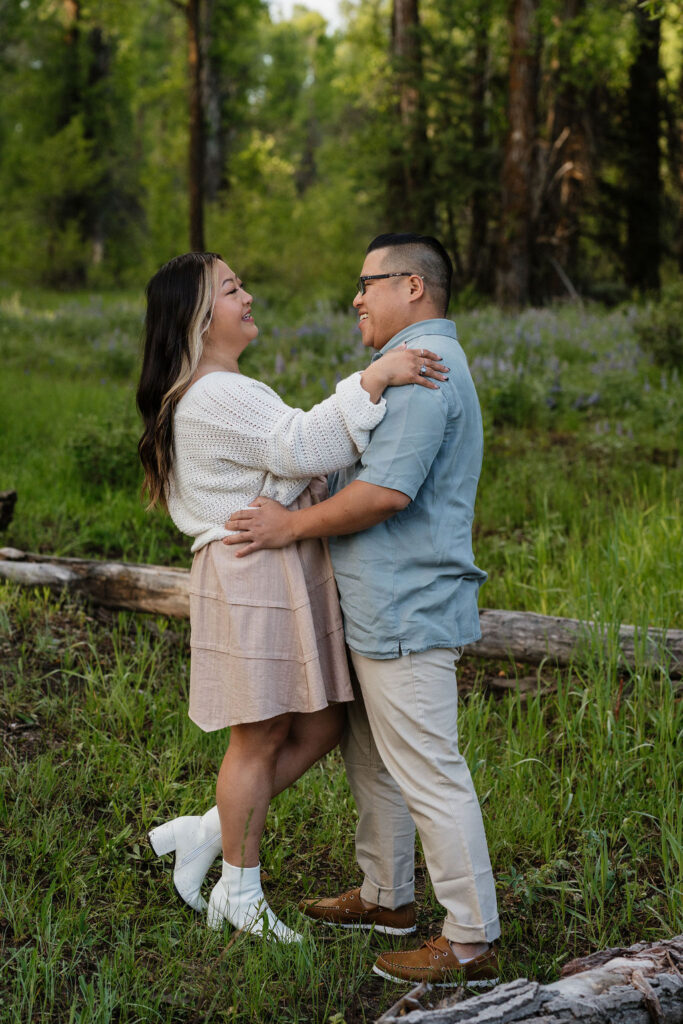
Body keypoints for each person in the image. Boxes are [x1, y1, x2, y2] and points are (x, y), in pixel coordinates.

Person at [136, 250, 446, 942]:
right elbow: (302, 444)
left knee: (319, 724)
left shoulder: (224, 386)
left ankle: (208, 832)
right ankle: (238, 892)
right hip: (252, 568)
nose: (247, 296)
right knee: (260, 735)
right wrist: (372, 377)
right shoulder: (214, 393)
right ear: (194, 318)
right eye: (230, 288)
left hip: (274, 561)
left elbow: (293, 447)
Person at [222, 233, 501, 984]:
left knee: (428, 770)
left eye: (367, 283)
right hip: (381, 606)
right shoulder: (404, 367)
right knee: (373, 758)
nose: (355, 298)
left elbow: (385, 495)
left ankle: (470, 939)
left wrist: (287, 526)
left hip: (408, 607)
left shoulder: (424, 372)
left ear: (412, 286)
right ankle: (387, 897)